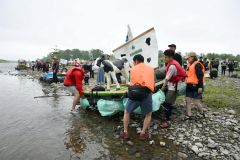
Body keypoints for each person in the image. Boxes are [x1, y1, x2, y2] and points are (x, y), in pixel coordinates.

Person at [120, 54, 154, 140]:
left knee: (127, 112)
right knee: (148, 114)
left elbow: (132, 83)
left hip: (135, 93)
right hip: (146, 93)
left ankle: (125, 132)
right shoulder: (150, 69)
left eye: (133, 62)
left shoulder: (132, 69)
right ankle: (142, 133)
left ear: (136, 61)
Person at [160, 49, 186, 128]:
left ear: (170, 57)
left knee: (167, 103)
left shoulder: (172, 66)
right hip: (174, 85)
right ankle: (168, 117)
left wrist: (162, 88)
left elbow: (167, 78)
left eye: (166, 57)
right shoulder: (174, 63)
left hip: (173, 87)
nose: (165, 59)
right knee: (169, 102)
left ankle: (167, 120)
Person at [184, 52, 205, 120]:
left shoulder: (197, 65)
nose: (187, 60)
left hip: (196, 86)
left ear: (193, 57)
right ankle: (189, 115)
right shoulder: (189, 65)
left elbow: (200, 76)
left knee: (196, 102)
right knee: (188, 100)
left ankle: (202, 113)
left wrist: (200, 87)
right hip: (189, 85)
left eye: (188, 58)